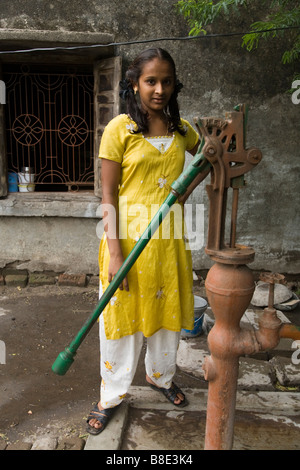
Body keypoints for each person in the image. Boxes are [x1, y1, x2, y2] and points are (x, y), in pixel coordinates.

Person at [86, 47, 209, 435]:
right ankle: (112, 394)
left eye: (166, 81)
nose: (159, 89)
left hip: (169, 239)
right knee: (122, 320)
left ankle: (161, 376)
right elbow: (107, 197)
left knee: (167, 313)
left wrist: (183, 194)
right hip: (127, 237)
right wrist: (115, 254)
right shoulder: (119, 129)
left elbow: (209, 157)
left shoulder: (182, 130)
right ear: (135, 84)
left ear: (175, 85)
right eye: (150, 81)